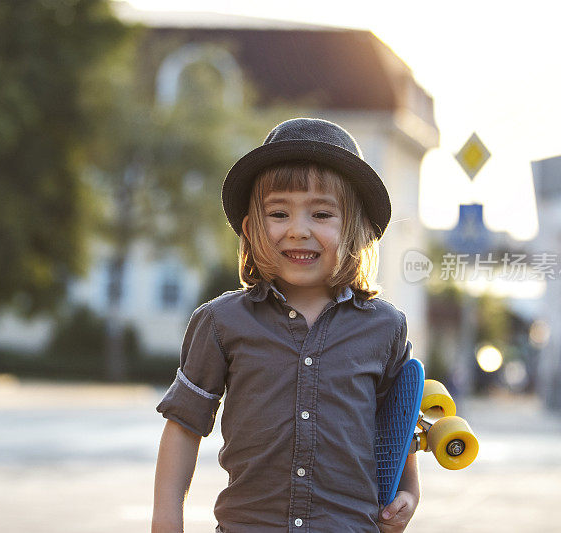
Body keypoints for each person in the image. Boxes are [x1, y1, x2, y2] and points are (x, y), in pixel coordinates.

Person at [152, 118, 419, 533]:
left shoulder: (386, 328)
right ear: (251, 228)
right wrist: (166, 520)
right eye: (279, 213)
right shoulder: (222, 321)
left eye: (322, 213)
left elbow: (396, 426)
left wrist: (409, 493)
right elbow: (184, 427)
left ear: (358, 231)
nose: (298, 230)